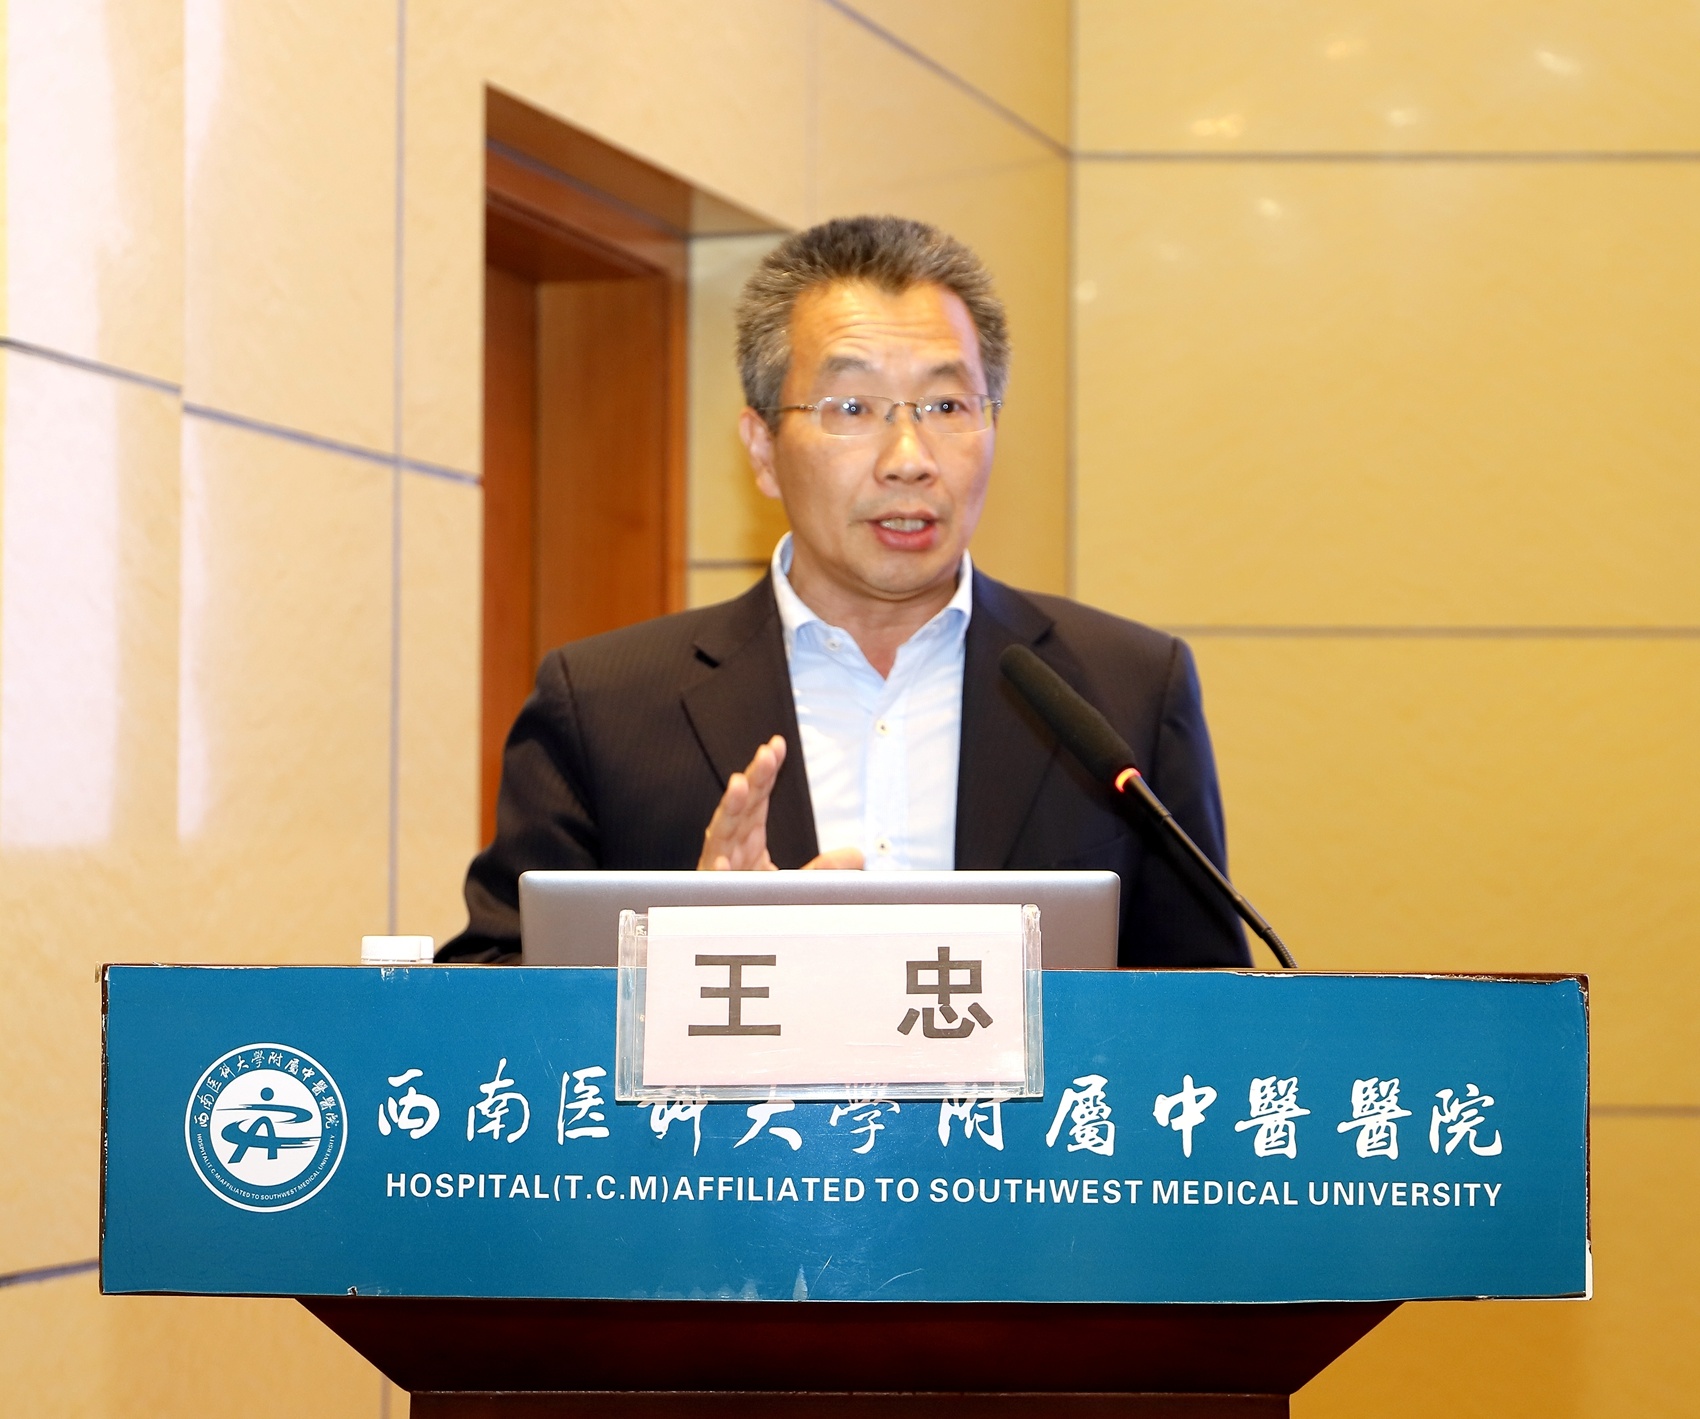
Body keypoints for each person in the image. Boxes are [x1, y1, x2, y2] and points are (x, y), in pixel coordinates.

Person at [441, 215, 1249, 968]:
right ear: (762, 449)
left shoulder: (1125, 691)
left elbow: (1213, 1017)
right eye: (853, 406)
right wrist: (682, 955)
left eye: (947, 404)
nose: (909, 458)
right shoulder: (605, 707)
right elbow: (483, 1002)